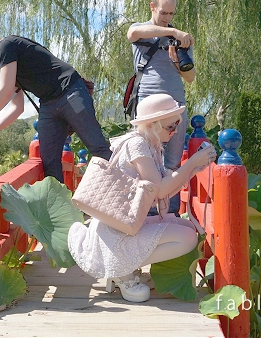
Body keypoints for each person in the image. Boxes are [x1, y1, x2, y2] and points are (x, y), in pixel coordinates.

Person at [67, 94, 217, 303]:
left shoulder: (150, 144)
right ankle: (120, 267)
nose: (173, 132)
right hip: (115, 229)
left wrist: (192, 169)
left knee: (186, 228)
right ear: (152, 124)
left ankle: (124, 264)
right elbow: (160, 190)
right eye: (169, 127)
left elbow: (164, 184)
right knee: (187, 238)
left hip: (125, 222)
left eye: (175, 126)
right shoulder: (137, 145)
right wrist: (191, 164)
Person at [0, 34, 111, 182]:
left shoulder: (7, 45)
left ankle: (129, 195)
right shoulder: (4, 65)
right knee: (49, 164)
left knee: (97, 147)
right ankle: (59, 207)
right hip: (49, 105)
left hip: (72, 92)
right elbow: (17, 108)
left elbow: (6, 89)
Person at [126, 0, 196, 216]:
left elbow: (191, 77)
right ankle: (145, 213)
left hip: (175, 105)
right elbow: (132, 34)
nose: (167, 18)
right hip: (148, 106)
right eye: (164, 12)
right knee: (145, 160)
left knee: (172, 162)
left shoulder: (181, 40)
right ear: (152, 6)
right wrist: (173, 32)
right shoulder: (142, 30)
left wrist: (177, 62)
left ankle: (170, 214)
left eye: (172, 14)